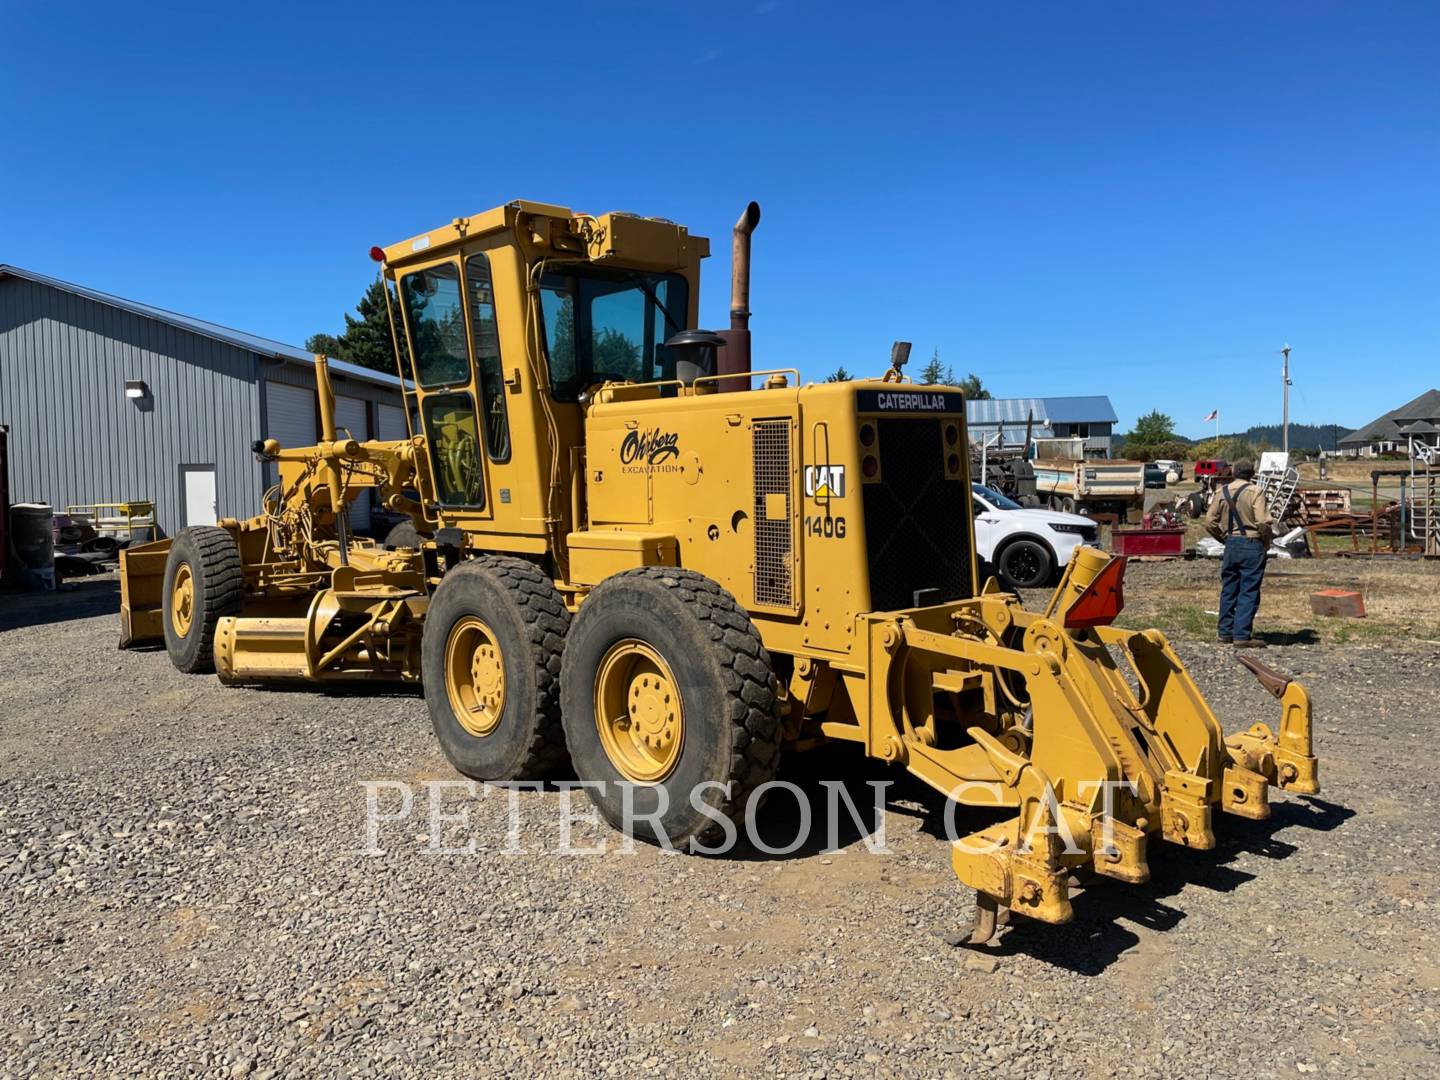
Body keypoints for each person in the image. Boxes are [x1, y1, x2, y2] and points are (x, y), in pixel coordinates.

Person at [1204, 458, 1274, 647]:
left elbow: (1209, 521)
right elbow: (1262, 521)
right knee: (1249, 590)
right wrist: (1266, 542)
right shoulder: (1255, 491)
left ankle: (1224, 632)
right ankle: (1242, 635)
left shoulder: (1221, 491)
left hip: (1231, 543)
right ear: (1252, 474)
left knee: (1229, 588)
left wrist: (1223, 538)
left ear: (1233, 473)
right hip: (1252, 542)